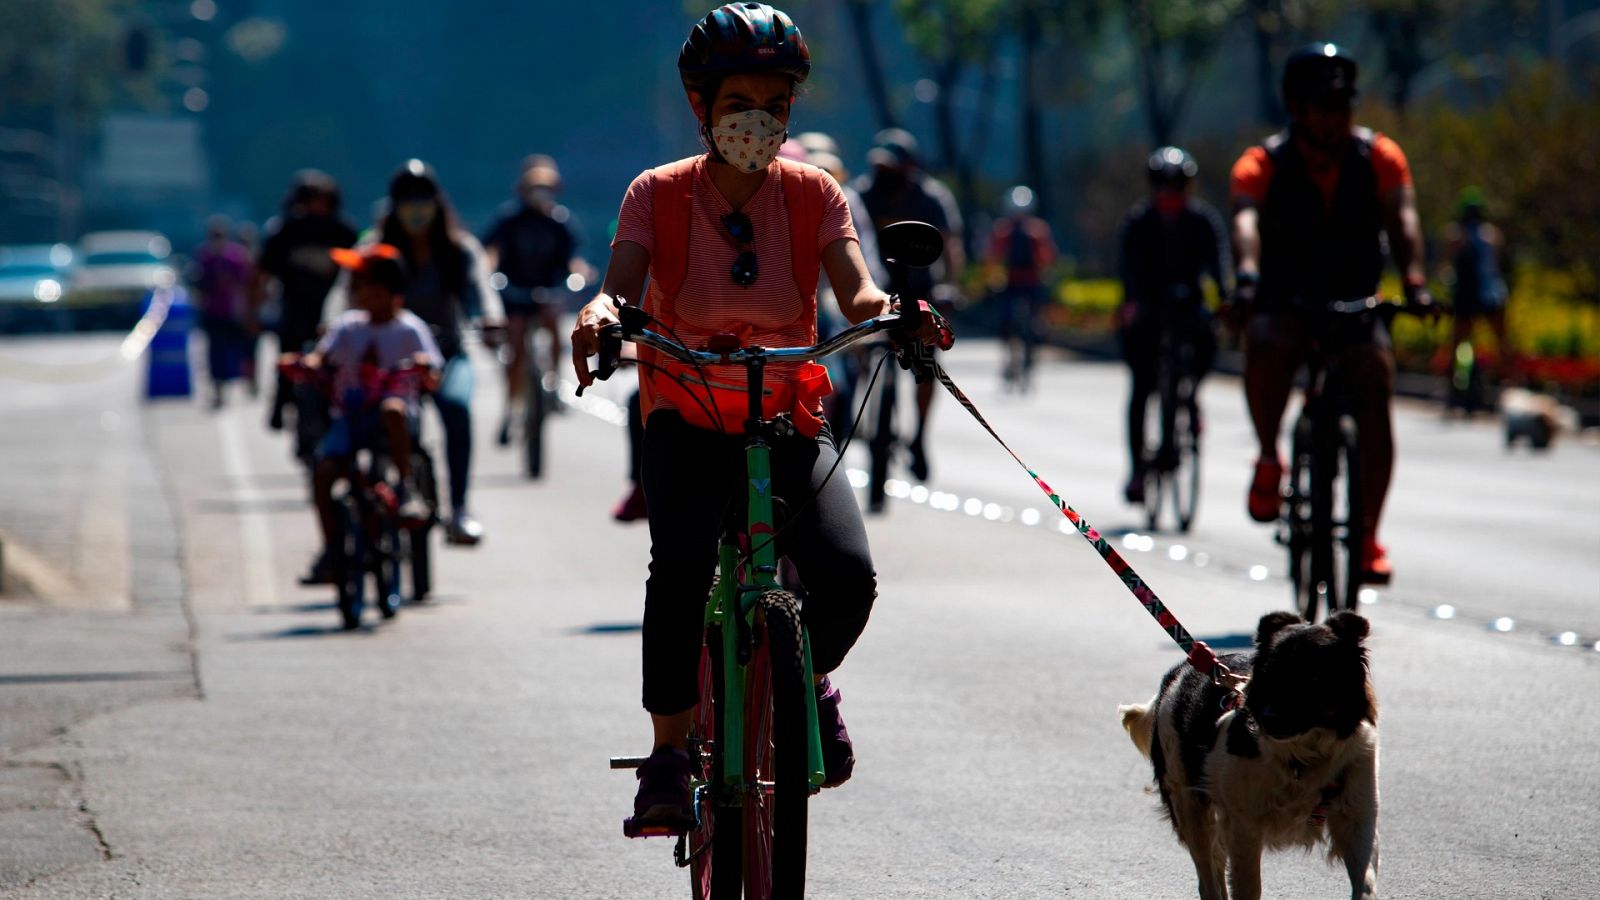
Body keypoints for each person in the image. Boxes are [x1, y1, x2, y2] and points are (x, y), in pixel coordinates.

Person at [569, 3, 944, 832]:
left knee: (848, 577)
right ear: (702, 107)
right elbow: (619, 285)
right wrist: (601, 314)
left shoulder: (815, 194)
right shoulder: (656, 195)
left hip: (786, 422)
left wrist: (899, 313)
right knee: (678, 576)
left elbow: (859, 291)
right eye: (741, 102)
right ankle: (668, 754)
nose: (759, 120)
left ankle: (805, 680)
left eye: (776, 104)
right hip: (686, 418)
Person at [1229, 43, 1433, 585]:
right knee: (1266, 342)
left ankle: (1367, 536)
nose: (1337, 120)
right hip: (1286, 297)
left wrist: (1414, 280)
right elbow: (1245, 221)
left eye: (1344, 107)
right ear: (1297, 109)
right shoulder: (1262, 163)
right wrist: (1248, 278)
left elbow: (1403, 218)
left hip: (1355, 299)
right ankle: (1270, 456)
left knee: (1375, 378)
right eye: (1324, 108)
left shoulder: (1379, 155)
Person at [370, 159, 505, 545]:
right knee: (379, 420)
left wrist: (490, 321)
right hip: (389, 361)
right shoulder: (376, 250)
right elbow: (347, 291)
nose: (416, 209)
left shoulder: (459, 249)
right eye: (407, 201)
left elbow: (483, 292)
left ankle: (459, 509)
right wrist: (333, 324)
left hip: (447, 354)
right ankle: (387, 495)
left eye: (423, 200)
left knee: (457, 408)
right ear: (393, 207)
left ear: (437, 203)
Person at [293, 245, 442, 584]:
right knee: (324, 471)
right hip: (351, 417)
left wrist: (424, 369)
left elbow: (433, 373)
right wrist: (308, 364)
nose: (365, 294)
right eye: (360, 287)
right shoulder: (347, 327)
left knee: (392, 408)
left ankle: (405, 489)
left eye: (373, 286)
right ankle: (332, 549)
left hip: (396, 419)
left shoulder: (409, 329)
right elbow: (321, 355)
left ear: (394, 293)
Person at [850, 127, 964, 482]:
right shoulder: (861, 195)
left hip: (921, 297)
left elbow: (952, 247)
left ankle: (919, 438)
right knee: (863, 355)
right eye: (880, 167)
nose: (885, 174)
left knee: (926, 367)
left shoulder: (930, 198)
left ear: (909, 167)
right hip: (876, 296)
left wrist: (950, 285)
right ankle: (862, 422)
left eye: (892, 167)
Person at [1117, 147, 1227, 503]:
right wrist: (1133, 303)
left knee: (1207, 338)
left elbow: (1218, 266)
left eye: (1177, 186)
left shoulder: (1203, 222)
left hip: (1188, 305)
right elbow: (1128, 271)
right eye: (1163, 186)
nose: (1170, 194)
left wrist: (1225, 300)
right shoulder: (1138, 222)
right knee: (1141, 386)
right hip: (1150, 306)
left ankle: (1191, 397)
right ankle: (1137, 470)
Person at [480, 155, 589, 446]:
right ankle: (512, 407)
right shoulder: (508, 219)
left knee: (553, 322)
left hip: (547, 290)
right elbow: (489, 249)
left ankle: (552, 384)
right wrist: (489, 271)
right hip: (515, 291)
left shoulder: (560, 220)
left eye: (546, 187)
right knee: (515, 340)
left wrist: (579, 272)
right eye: (535, 187)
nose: (540, 193)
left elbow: (573, 257)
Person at [254, 170, 359, 431]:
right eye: (309, 199)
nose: (315, 206)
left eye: (320, 199)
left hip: (335, 315)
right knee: (288, 362)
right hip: (294, 311)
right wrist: (253, 310)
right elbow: (263, 272)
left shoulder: (343, 231)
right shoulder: (285, 231)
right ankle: (281, 404)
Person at [984, 185, 1058, 390]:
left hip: (1021, 281)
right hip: (1023, 281)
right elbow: (1048, 257)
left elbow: (993, 257)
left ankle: (1021, 354)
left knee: (1020, 322)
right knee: (1017, 321)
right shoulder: (1030, 229)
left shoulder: (1016, 230)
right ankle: (1017, 355)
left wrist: (991, 277)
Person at [1442, 186, 1510, 383]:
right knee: (1501, 341)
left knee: (1457, 341)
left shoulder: (1456, 234)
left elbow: (1445, 265)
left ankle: (1451, 382)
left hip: (1470, 295)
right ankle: (1508, 379)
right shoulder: (1492, 234)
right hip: (1492, 294)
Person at [191, 215, 257, 409]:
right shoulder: (205, 256)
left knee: (236, 349)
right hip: (213, 311)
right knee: (214, 351)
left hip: (232, 311)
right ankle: (218, 386)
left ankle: (240, 380)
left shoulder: (235, 256)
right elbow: (198, 283)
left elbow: (246, 281)